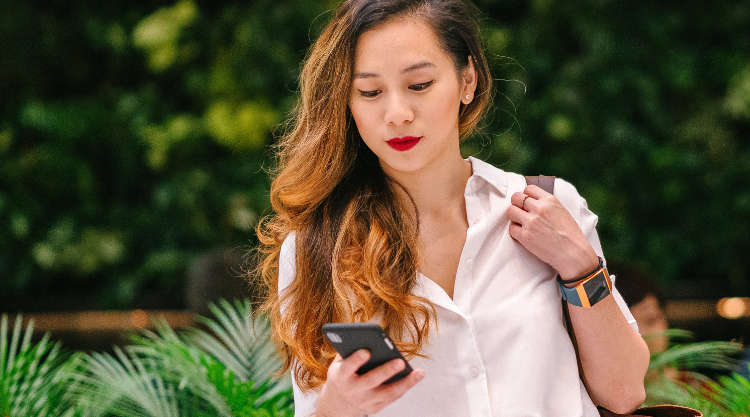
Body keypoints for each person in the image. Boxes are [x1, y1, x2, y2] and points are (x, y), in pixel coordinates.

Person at [255, 1, 650, 416]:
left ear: (467, 80)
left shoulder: (548, 207)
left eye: (420, 84)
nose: (397, 114)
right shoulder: (318, 248)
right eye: (369, 92)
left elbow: (624, 392)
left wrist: (581, 268)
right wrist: (336, 407)